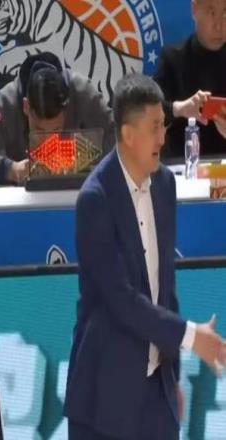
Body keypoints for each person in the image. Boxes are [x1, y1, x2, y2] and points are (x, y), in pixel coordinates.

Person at [63, 73, 226, 439]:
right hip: (104, 397)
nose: (162, 138)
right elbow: (119, 298)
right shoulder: (95, 199)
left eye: (163, 125)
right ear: (128, 134)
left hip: (156, 393)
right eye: (154, 127)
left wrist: (172, 379)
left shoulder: (165, 185)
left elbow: (164, 286)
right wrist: (190, 336)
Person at [0, 51, 115, 184]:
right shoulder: (3, 109)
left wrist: (82, 159)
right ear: (26, 107)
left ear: (67, 109)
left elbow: (118, 137)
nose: (47, 142)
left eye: (56, 130)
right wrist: (9, 169)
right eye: (39, 130)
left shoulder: (84, 95)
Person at [153, 0, 226, 158]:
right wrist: (180, 109)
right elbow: (149, 110)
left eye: (225, 13)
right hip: (182, 164)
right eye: (212, 12)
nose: (219, 26)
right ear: (194, 9)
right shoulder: (173, 58)